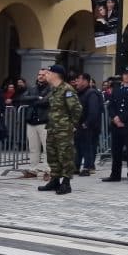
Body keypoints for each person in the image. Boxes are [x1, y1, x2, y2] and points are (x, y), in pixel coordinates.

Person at [38, 65, 82, 194]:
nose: (46, 74)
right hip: (52, 128)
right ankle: (55, 179)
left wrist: (72, 125)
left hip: (63, 129)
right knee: (52, 155)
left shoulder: (67, 89)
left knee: (65, 155)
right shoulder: (54, 89)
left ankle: (66, 182)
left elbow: (77, 109)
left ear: (55, 74)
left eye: (49, 72)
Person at [102, 65, 128, 183]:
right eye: (125, 74)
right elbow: (111, 106)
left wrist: (121, 118)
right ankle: (115, 175)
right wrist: (114, 117)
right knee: (116, 151)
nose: (126, 76)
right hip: (116, 126)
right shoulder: (117, 89)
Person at [16, 68, 51, 179]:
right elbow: (22, 98)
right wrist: (36, 97)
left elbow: (45, 101)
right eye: (39, 74)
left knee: (47, 148)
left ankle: (48, 171)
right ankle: (33, 169)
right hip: (31, 121)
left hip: (44, 121)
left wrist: (34, 101)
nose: (40, 76)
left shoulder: (52, 88)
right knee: (33, 147)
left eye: (43, 75)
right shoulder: (33, 88)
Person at [73, 72, 104, 176]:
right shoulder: (79, 92)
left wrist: (86, 123)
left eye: (79, 79)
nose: (76, 82)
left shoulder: (91, 93)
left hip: (89, 126)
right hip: (80, 125)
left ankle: (88, 167)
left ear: (86, 81)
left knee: (88, 147)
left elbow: (94, 111)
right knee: (78, 147)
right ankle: (76, 166)